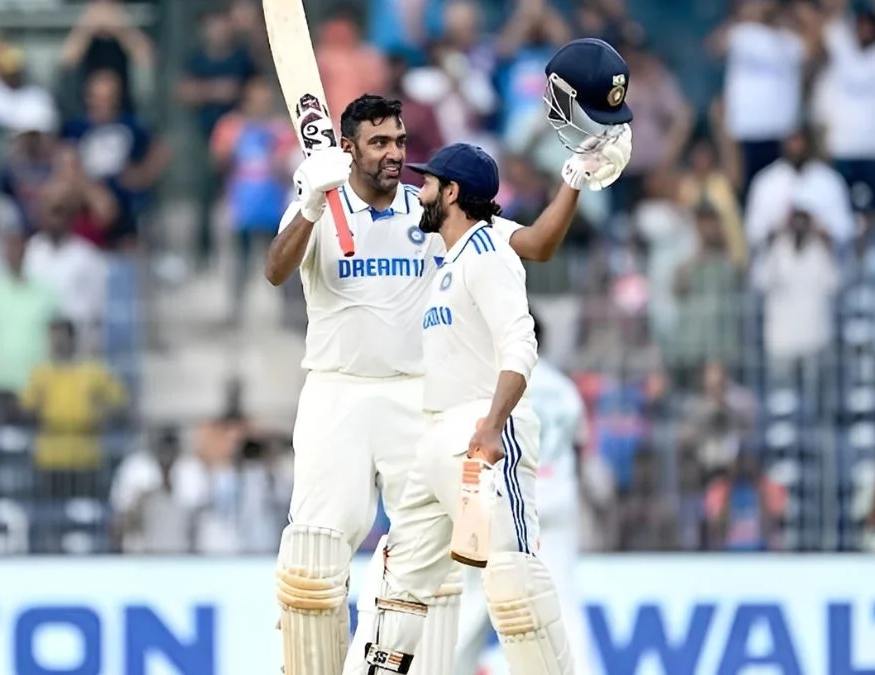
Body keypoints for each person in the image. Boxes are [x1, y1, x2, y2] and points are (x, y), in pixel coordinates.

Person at [268, 38, 633, 675]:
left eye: (400, 143)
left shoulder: (436, 215)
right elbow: (274, 272)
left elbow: (529, 246)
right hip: (336, 391)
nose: (394, 155)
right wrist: (304, 204)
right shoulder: (321, 203)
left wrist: (573, 177)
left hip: (421, 400)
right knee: (314, 565)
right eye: (379, 143)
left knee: (432, 580)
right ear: (348, 147)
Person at [345, 143, 569, 675]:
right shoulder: (454, 254)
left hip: (479, 435)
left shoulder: (489, 250)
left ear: (450, 192)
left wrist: (492, 426)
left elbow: (521, 344)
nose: (418, 191)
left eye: (428, 184)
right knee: (400, 584)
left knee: (514, 581)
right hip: (435, 441)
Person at [452, 314, 594, 675]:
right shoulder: (565, 389)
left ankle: (450, 667)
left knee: (480, 597)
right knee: (561, 597)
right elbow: (580, 448)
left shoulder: (503, 384)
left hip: (508, 495)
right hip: (558, 496)